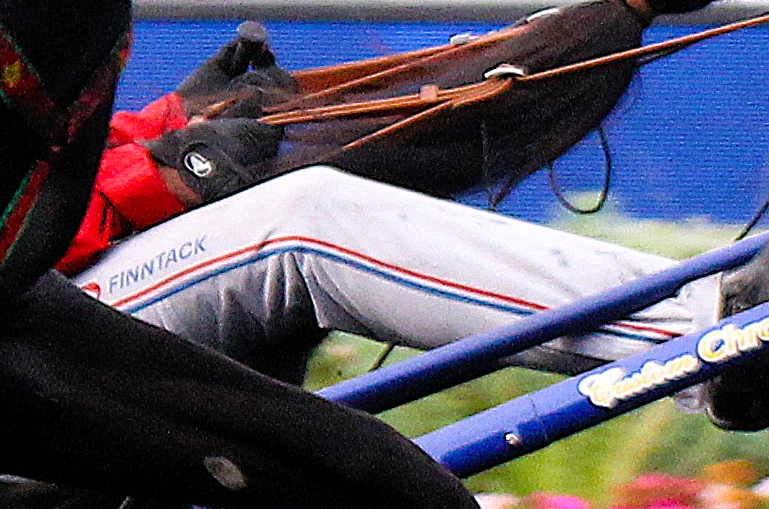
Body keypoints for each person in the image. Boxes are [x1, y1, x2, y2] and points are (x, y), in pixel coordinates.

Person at [57, 46, 724, 387]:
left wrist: (173, 122)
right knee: (305, 218)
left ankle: (704, 305)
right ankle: (709, 334)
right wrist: (161, 173)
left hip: (61, 292)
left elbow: (47, 152)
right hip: (5, 331)